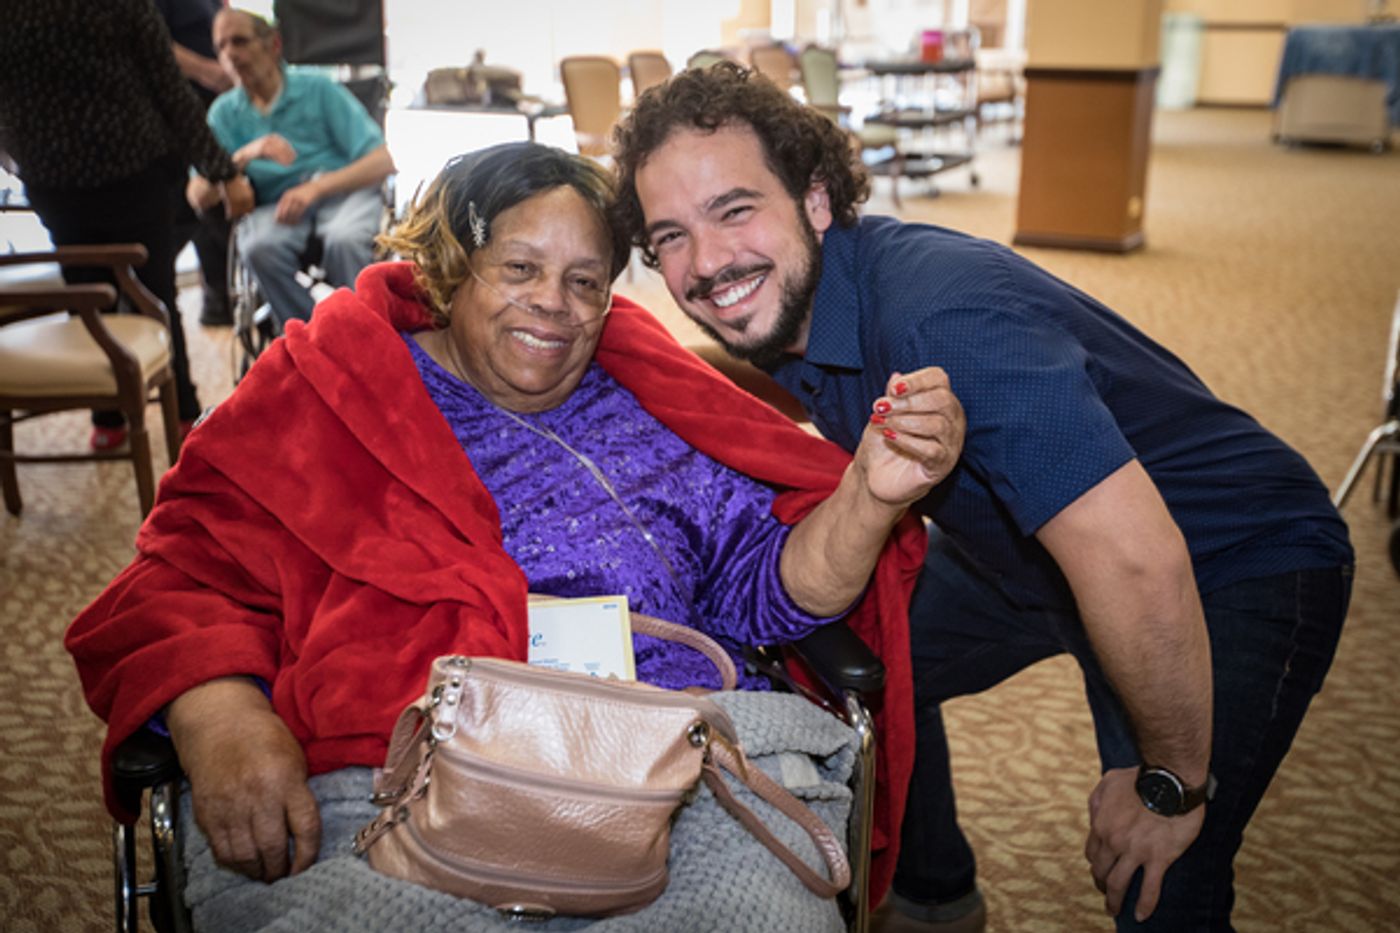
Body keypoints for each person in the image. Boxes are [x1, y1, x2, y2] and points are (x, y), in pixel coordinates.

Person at [67, 142, 962, 930]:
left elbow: (765, 590)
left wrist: (867, 498)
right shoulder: (330, 389)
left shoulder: (645, 408)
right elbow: (184, 572)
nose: (555, 306)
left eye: (584, 282)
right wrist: (221, 715)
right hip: (391, 771)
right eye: (520, 268)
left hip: (666, 769)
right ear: (452, 268)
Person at [609, 62, 1355, 933]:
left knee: (1158, 873)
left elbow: (1138, 559)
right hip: (1027, 553)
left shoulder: (944, 320)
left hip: (1227, 559)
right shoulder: (800, 297)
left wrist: (1170, 781)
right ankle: (935, 892)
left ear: (814, 200)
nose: (705, 263)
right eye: (669, 236)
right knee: (864, 664)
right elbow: (739, 379)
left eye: (735, 210)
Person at [0, 0, 253, 450]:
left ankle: (138, 413)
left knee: (112, 294)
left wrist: (221, 170)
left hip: (95, 174)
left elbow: (170, 90)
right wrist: (223, 171)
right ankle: (166, 412)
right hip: (95, 176)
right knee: (140, 296)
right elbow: (170, 91)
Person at [187, 8, 395, 327]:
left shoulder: (318, 90)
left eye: (239, 42)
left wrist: (315, 189)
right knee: (257, 248)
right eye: (221, 47)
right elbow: (197, 196)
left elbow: (382, 161)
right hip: (279, 206)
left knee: (344, 240)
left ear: (273, 44)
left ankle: (362, 337)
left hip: (343, 193)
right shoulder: (225, 113)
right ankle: (309, 339)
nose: (230, 55)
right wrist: (245, 154)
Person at [155, 0, 236, 327]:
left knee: (208, 208)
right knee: (183, 210)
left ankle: (219, 299)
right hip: (178, 114)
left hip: (211, 109)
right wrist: (210, 72)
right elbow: (155, 44)